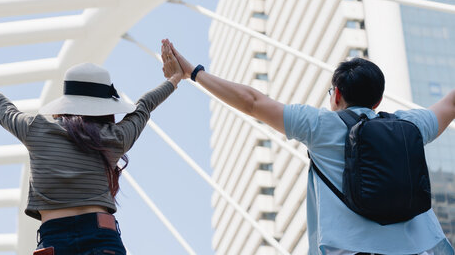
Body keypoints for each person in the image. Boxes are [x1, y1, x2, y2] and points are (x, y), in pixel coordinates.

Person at [161, 39, 455, 255]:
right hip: (421, 250)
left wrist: (194, 73)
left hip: (349, 250)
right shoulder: (411, 126)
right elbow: (451, 103)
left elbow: (252, 102)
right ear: (377, 101)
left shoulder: (320, 126)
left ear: (336, 94)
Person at [0, 39, 184, 255]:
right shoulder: (116, 137)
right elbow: (144, 106)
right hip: (102, 236)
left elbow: (0, 105)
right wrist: (173, 79)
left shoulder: (36, 128)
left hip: (54, 240)